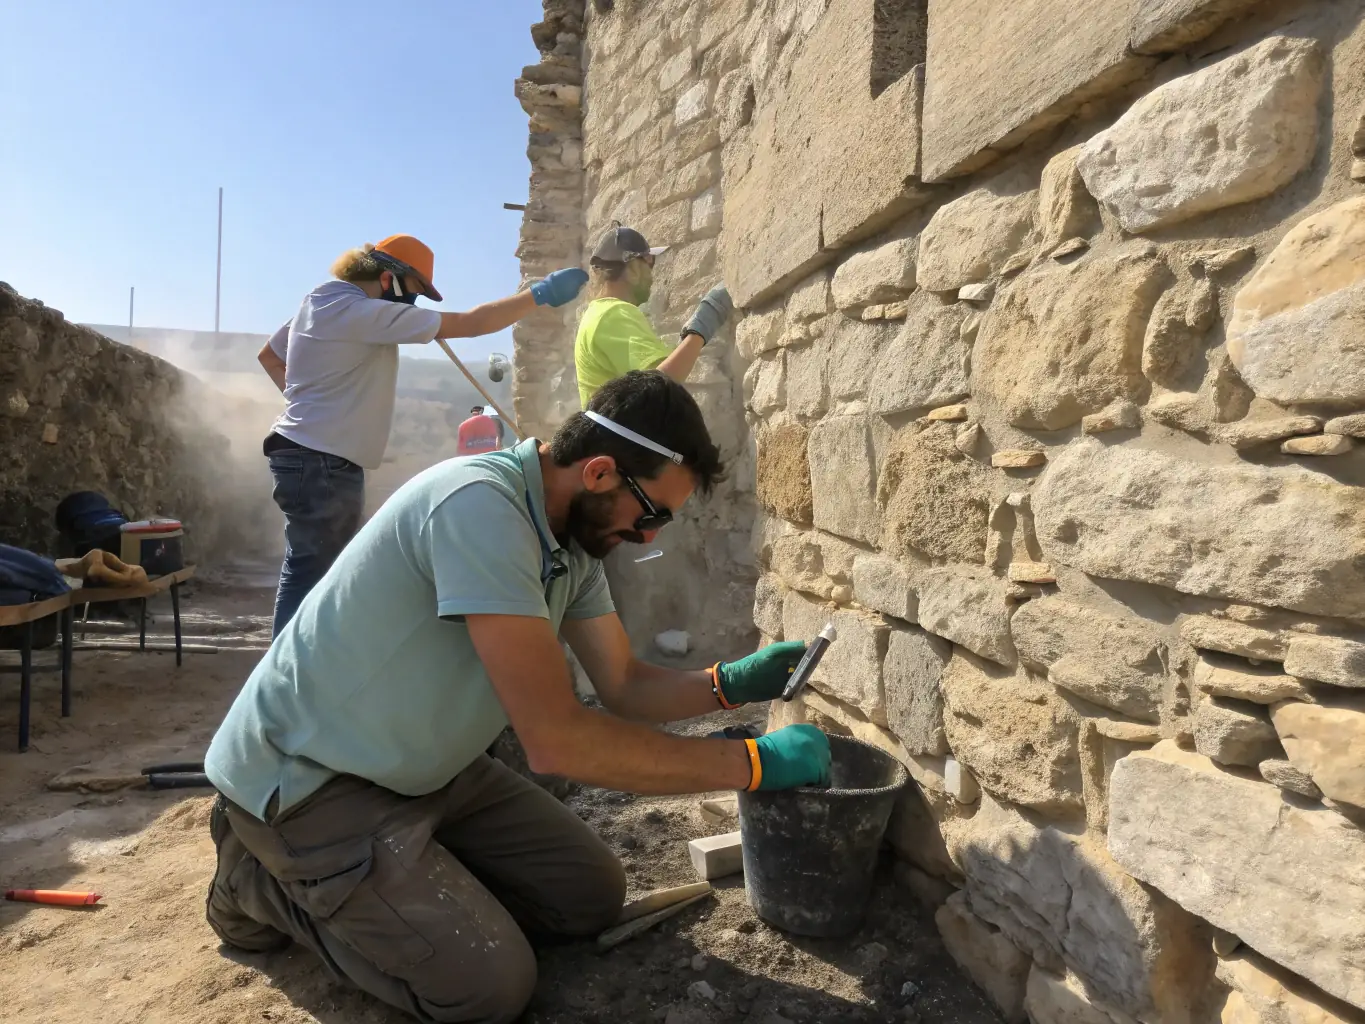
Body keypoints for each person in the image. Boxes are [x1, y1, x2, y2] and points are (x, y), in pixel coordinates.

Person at [204, 370, 830, 1024]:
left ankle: (398, 880)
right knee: (485, 991)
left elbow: (622, 684)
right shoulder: (478, 508)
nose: (649, 538)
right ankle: (252, 881)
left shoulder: (573, 543)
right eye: (651, 516)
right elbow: (555, 738)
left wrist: (730, 683)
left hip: (428, 768)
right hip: (313, 785)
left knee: (588, 898)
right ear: (598, 474)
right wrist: (752, 766)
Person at [256, 234, 587, 637]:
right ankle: (292, 678)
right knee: (316, 573)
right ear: (387, 278)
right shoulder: (362, 312)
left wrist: (311, 402)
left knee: (306, 566)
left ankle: (294, 669)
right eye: (414, 290)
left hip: (302, 451)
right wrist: (540, 293)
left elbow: (269, 356)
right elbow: (471, 323)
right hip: (323, 460)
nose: (415, 302)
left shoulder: (320, 302)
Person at [573, 224, 733, 408]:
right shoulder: (612, 313)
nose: (652, 276)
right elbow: (661, 385)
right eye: (649, 263)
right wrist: (706, 319)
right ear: (632, 268)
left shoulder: (596, 314)